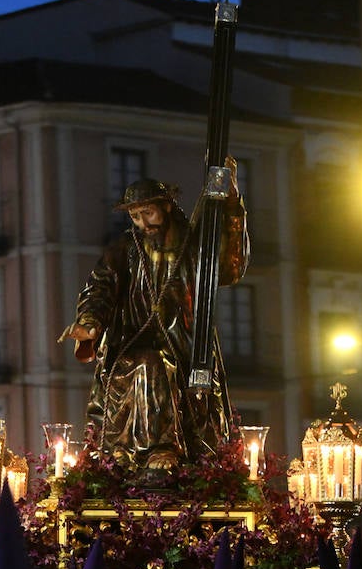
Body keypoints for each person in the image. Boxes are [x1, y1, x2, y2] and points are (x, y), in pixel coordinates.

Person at [60, 167, 249, 474]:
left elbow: (229, 267)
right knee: (144, 364)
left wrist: (231, 205)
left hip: (185, 344)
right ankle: (139, 451)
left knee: (159, 367)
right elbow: (100, 287)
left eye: (147, 213)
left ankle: (168, 451)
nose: (142, 224)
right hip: (132, 341)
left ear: (166, 206)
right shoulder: (125, 248)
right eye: (135, 217)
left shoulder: (194, 243)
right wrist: (90, 324)